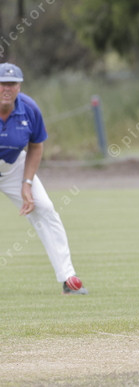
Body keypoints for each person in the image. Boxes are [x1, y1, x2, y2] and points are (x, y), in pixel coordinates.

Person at [0, 62, 87, 295]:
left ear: (19, 86)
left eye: (12, 84)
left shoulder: (29, 108)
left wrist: (26, 183)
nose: (6, 88)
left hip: (13, 167)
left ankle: (68, 278)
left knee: (45, 208)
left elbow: (36, 146)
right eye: (2, 83)